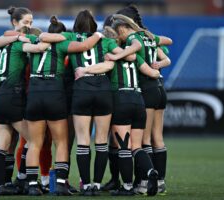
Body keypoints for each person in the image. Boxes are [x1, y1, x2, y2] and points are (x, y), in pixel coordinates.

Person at [39, 10, 136, 196]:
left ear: (76, 25)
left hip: (81, 91)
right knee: (101, 142)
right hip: (103, 91)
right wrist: (114, 56)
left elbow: (45, 36)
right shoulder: (105, 41)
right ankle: (97, 186)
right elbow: (130, 57)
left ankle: (86, 186)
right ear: (94, 26)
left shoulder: (68, 36)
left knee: (83, 142)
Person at [105, 14, 171, 196]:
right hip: (158, 89)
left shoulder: (132, 43)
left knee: (141, 141)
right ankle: (159, 181)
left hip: (143, 92)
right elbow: (167, 48)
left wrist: (116, 56)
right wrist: (159, 65)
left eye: (121, 35)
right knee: (156, 138)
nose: (123, 39)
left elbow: (136, 49)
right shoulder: (149, 36)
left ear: (123, 30)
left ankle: (141, 183)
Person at [0, 6, 48, 195]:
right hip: (12, 96)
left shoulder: (0, 46)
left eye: (31, 23)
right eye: (26, 22)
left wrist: (13, 36)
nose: (29, 26)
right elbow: (39, 47)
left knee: (3, 145)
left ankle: (1, 186)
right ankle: (25, 180)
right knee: (33, 141)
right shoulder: (20, 42)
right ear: (15, 23)